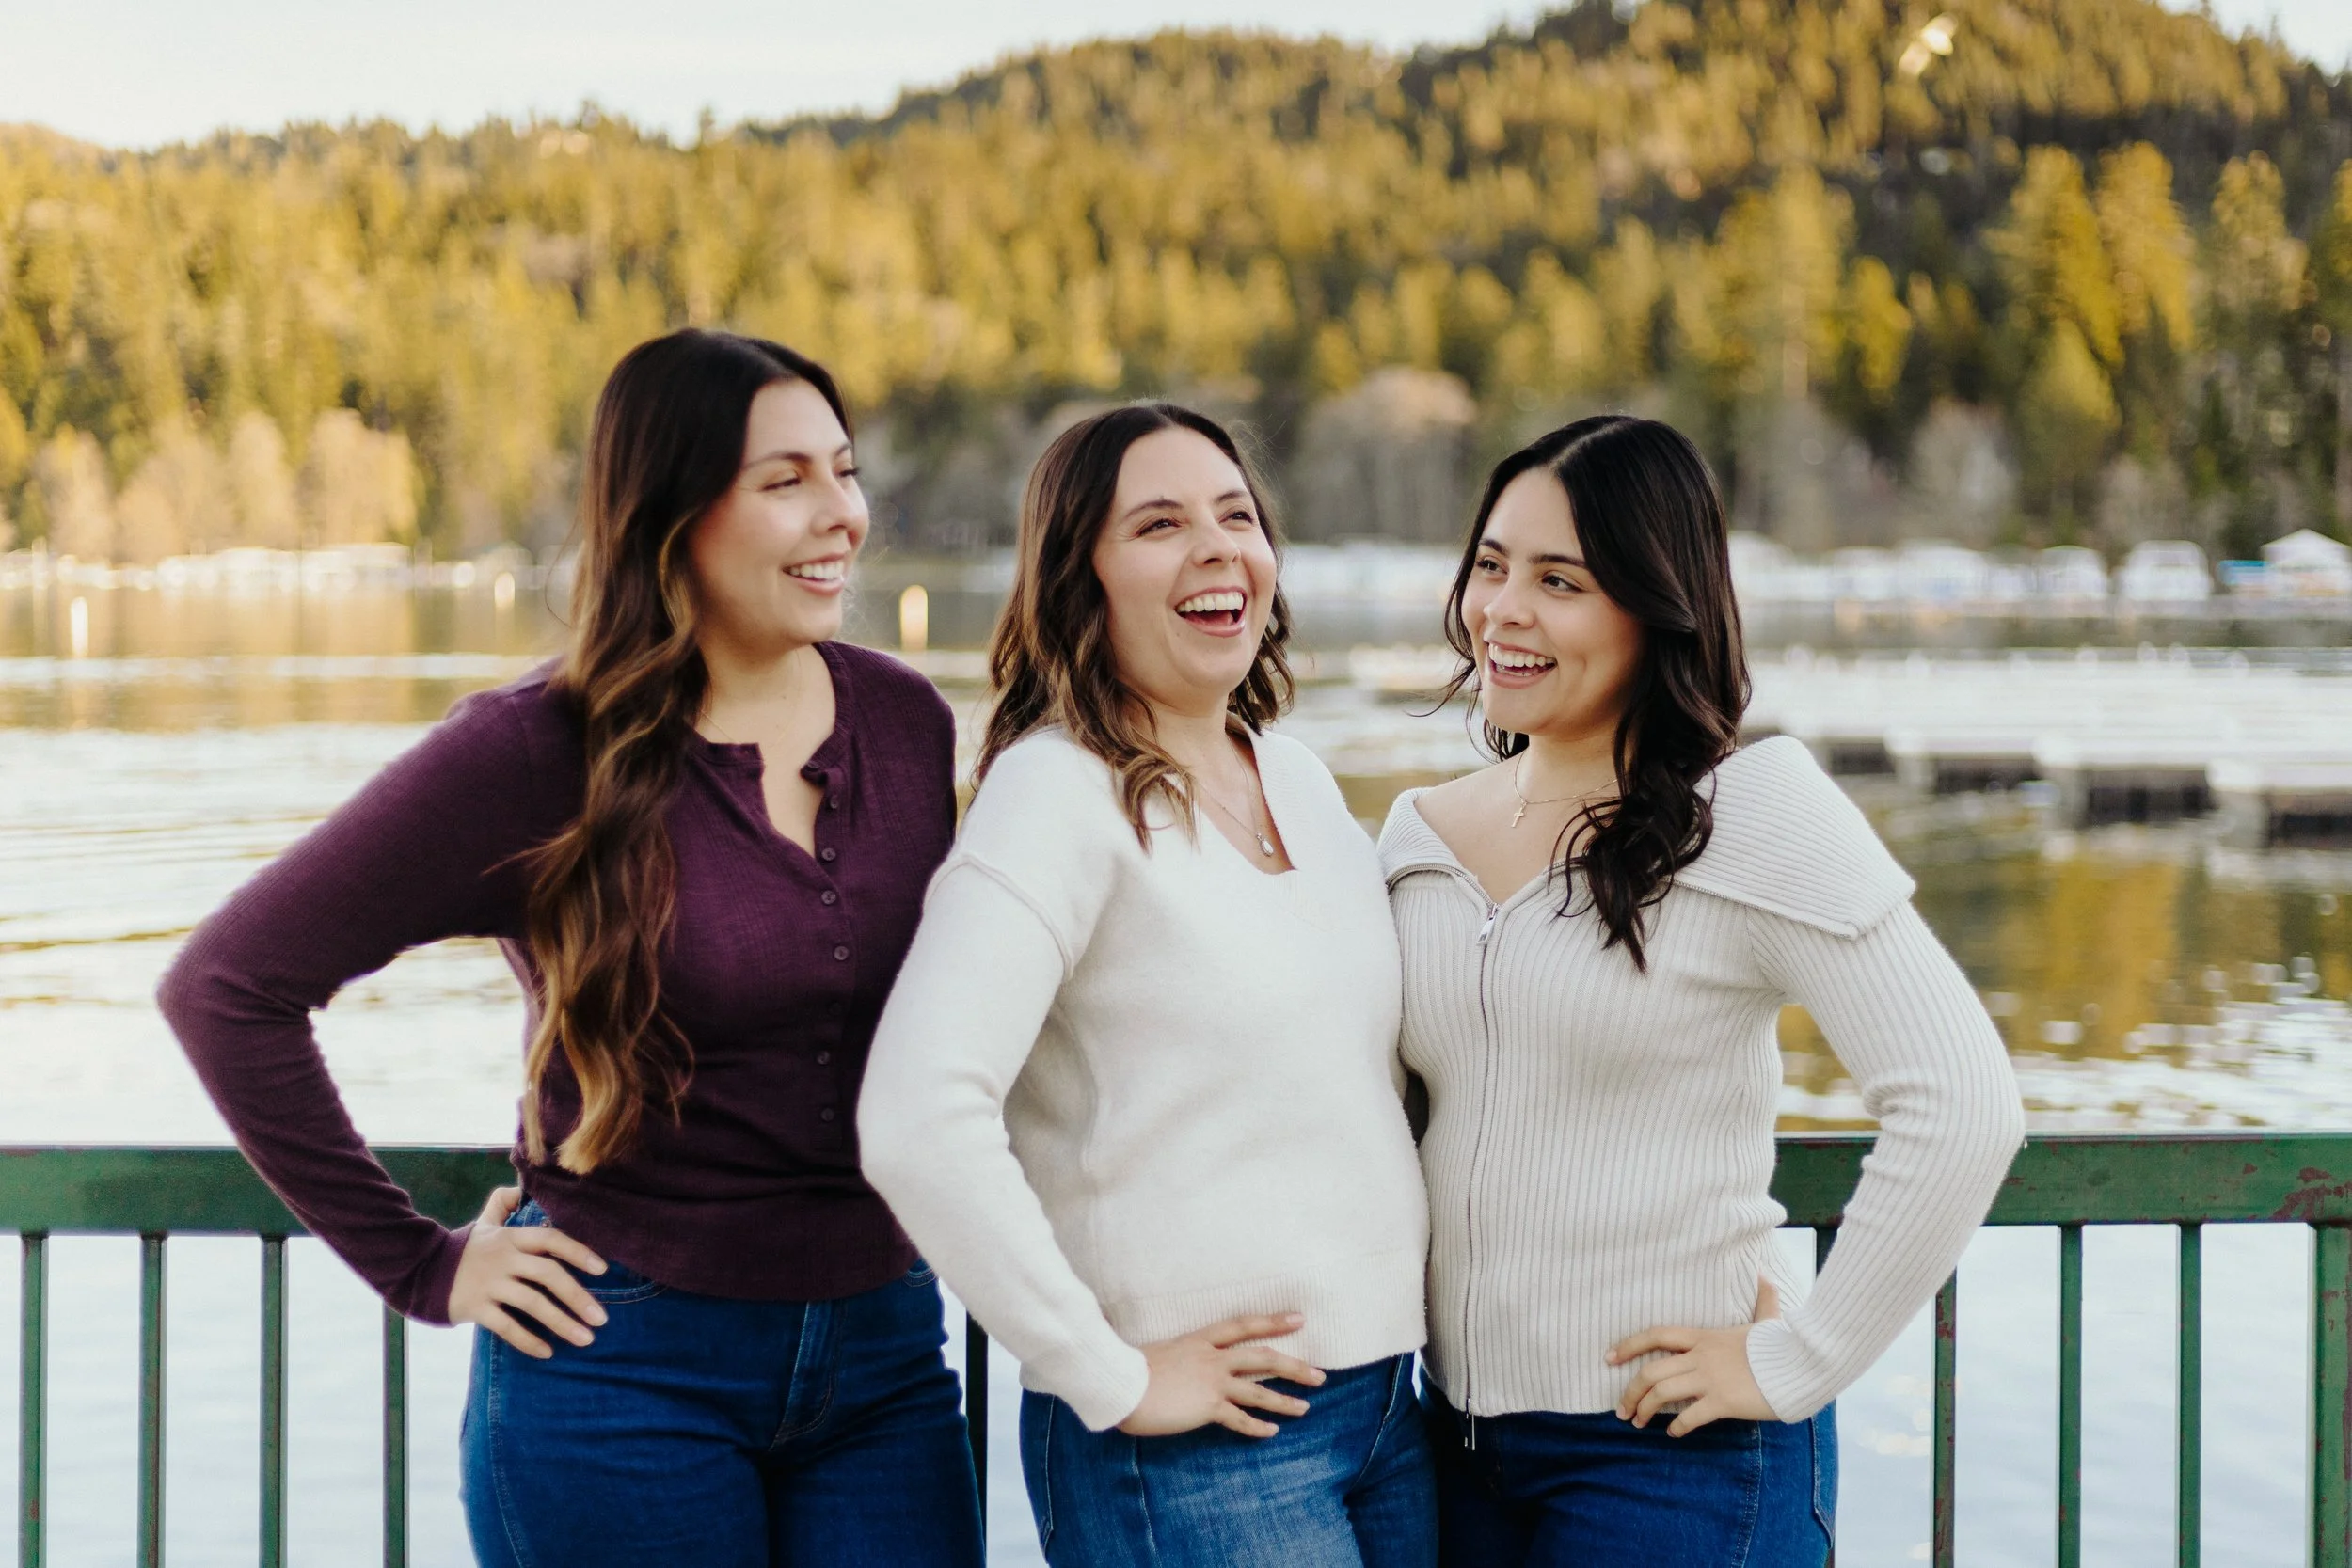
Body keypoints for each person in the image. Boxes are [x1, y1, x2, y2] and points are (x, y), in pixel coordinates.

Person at [156, 328, 983, 1568]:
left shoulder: (910, 722)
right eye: (787, 480)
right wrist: (421, 1262)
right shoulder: (532, 751)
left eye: (846, 469)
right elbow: (227, 985)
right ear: (675, 514)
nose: (844, 516)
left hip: (884, 1361)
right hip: (621, 1370)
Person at [1381, 415, 2024, 1566]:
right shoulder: (1415, 836)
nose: (1503, 610)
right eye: (1490, 564)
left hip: (1671, 1459)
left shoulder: (1752, 812)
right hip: (1452, 1452)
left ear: (1653, 602)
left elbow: (1963, 1100)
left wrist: (1798, 1359)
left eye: (1559, 580)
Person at [858, 403, 1435, 1568]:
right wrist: (1104, 1373)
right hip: (1202, 1455)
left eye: (1236, 514)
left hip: (1385, 1413)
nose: (1218, 546)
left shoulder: (1301, 779)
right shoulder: (1054, 794)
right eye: (1160, 523)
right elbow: (916, 1115)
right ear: (1084, 578)